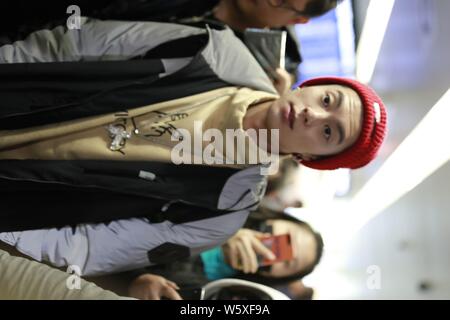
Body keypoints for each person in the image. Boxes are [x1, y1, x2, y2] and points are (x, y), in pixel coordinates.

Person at [0, 19, 387, 276]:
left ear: (312, 159)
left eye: (329, 134)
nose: (313, 117)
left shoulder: (222, 210)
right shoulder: (213, 50)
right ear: (313, 86)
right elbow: (74, 45)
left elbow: (85, 248)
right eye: (328, 100)